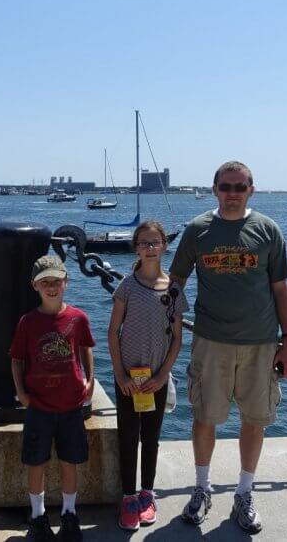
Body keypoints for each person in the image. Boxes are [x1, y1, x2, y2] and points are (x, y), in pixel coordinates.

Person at [170, 161, 287, 533]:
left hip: (260, 343)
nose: (232, 194)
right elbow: (176, 279)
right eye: (226, 187)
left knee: (254, 420)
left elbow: (280, 289)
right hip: (210, 342)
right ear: (214, 189)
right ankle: (202, 488)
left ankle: (244, 492)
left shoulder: (268, 231)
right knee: (204, 416)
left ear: (251, 190)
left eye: (240, 187)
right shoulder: (197, 230)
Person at [107, 220, 187, 531]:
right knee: (128, 437)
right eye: (144, 243)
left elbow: (177, 338)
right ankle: (128, 497)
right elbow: (113, 332)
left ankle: (146, 493)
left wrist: (164, 374)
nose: (150, 248)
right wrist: (120, 374)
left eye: (155, 243)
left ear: (165, 245)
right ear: (136, 247)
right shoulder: (127, 286)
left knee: (151, 438)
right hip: (129, 378)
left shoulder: (174, 290)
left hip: (156, 378)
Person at [10, 254, 96, 542]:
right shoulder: (27, 322)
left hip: (71, 405)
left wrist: (90, 381)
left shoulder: (78, 318)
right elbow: (17, 360)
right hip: (39, 407)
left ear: (66, 283)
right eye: (44, 282)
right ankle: (37, 516)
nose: (51, 287)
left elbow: (86, 349)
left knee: (69, 461)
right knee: (37, 463)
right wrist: (22, 393)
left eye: (56, 281)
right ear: (35, 286)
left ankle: (70, 515)